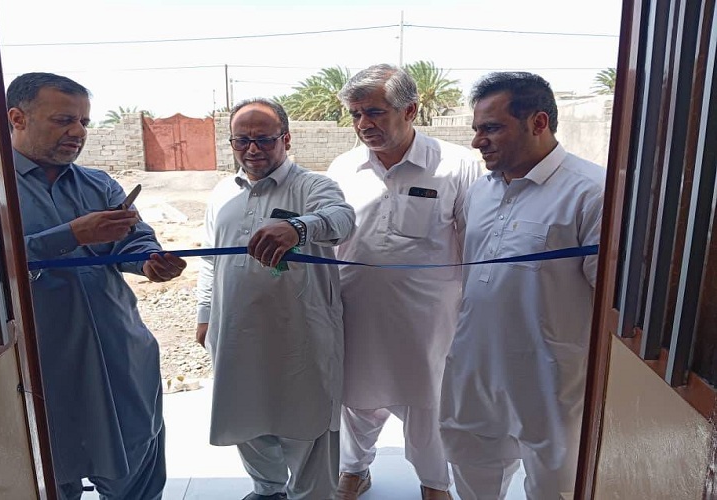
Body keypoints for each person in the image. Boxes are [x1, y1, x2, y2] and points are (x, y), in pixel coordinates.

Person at [7, 72, 186, 500]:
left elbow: (134, 240)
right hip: (42, 362)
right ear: (17, 118)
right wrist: (71, 235)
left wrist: (150, 261)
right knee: (52, 471)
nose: (78, 132)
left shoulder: (99, 184)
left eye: (84, 122)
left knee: (136, 465)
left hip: (120, 350)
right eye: (63, 120)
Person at [439, 72, 605, 499]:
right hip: (474, 365)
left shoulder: (592, 193)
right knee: (471, 471)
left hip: (551, 379)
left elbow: (611, 304)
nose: (478, 141)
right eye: (477, 129)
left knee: (554, 487)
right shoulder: (480, 191)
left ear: (538, 122)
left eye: (492, 128)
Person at [326, 64, 480, 500]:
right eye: (356, 114)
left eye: (375, 112)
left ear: (410, 110)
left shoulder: (455, 166)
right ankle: (354, 469)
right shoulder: (343, 168)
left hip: (428, 320)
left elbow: (474, 243)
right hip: (356, 309)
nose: (363, 124)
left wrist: (474, 315)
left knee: (426, 403)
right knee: (355, 397)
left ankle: (435, 482)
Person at [195, 98, 355, 500]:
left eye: (264, 139)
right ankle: (267, 490)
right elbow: (210, 260)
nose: (252, 149)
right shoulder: (222, 193)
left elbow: (342, 219)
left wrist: (299, 228)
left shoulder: (312, 186)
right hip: (235, 332)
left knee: (307, 421)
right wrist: (205, 313)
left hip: (300, 333)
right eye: (242, 140)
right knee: (244, 416)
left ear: (286, 139)